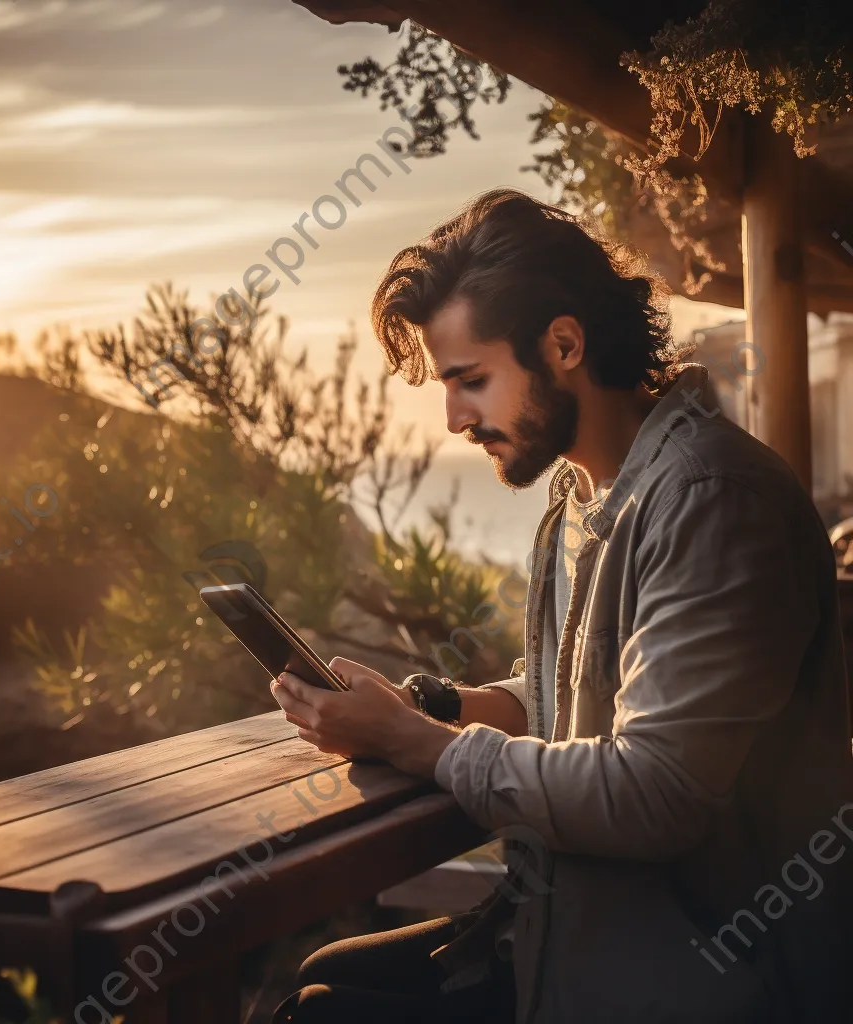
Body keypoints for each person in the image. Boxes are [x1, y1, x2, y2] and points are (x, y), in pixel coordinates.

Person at [269, 189, 853, 1023]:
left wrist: (420, 744)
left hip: (703, 974)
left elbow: (655, 793)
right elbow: (570, 699)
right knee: (322, 976)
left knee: (321, 1012)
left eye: (472, 380)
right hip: (572, 927)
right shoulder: (582, 495)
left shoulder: (716, 501)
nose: (454, 417)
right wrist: (429, 707)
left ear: (565, 343)